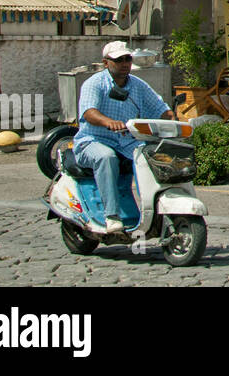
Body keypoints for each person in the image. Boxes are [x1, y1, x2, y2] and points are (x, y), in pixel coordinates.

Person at [73, 41, 173, 234]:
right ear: (106, 63)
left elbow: (161, 109)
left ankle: (157, 211)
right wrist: (108, 122)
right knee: (106, 157)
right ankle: (111, 216)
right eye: (119, 60)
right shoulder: (94, 83)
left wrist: (173, 122)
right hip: (92, 141)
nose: (125, 63)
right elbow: (88, 112)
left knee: (152, 157)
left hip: (127, 143)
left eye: (128, 59)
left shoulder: (138, 85)